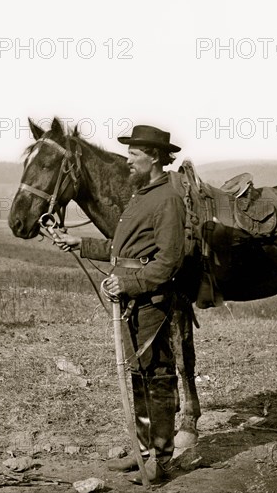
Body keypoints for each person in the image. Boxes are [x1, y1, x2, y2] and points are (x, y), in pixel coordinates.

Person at [53, 125, 186, 484]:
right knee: (139, 374)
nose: (127, 160)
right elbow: (120, 250)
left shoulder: (168, 198)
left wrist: (127, 281)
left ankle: (160, 458)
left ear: (154, 157)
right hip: (132, 299)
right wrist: (78, 243)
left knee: (156, 375)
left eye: (134, 154)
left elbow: (169, 261)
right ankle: (143, 452)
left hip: (151, 301)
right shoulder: (142, 194)